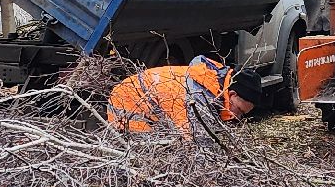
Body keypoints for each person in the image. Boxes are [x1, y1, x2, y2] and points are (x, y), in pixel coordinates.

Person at [106, 55, 265, 137]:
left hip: (146, 105)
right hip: (127, 103)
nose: (238, 117)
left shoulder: (213, 83)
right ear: (232, 94)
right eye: (240, 110)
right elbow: (197, 142)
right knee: (141, 159)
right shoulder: (200, 97)